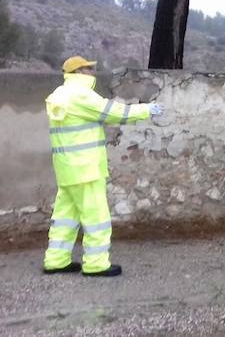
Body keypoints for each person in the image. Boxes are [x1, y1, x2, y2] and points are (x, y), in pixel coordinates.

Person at [43, 56, 164, 277]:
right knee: (96, 217)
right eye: (89, 69)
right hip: (86, 169)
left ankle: (56, 259)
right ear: (79, 72)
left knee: (65, 216)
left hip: (67, 169)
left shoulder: (58, 95)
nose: (92, 73)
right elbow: (115, 113)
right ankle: (96, 263)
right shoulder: (81, 96)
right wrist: (148, 110)